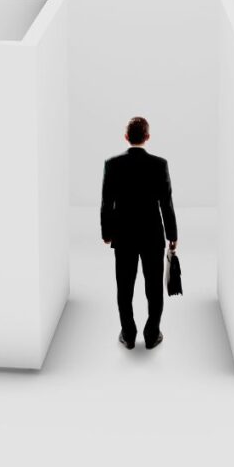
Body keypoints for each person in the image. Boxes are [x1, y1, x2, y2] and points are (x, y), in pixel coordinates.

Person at [100, 116, 178, 350]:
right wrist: (172, 235)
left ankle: (129, 334)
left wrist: (106, 232)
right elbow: (167, 203)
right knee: (154, 288)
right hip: (153, 235)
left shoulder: (112, 164)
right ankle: (152, 334)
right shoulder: (159, 164)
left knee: (124, 288)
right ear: (147, 137)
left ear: (126, 137)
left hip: (123, 236)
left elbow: (107, 203)